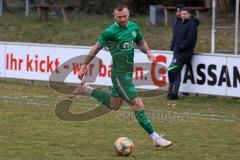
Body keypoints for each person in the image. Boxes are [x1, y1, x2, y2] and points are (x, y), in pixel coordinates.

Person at [73, 3, 172, 148]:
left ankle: (87, 90)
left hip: (127, 73)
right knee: (138, 104)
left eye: (125, 16)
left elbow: (140, 42)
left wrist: (148, 52)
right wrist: (83, 66)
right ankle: (156, 138)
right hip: (119, 76)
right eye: (119, 17)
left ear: (129, 13)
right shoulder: (110, 32)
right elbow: (95, 49)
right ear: (114, 16)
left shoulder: (133, 27)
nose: (123, 19)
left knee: (114, 105)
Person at [167, 7, 199, 100]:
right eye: (182, 14)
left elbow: (190, 40)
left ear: (189, 14)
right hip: (177, 53)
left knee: (171, 70)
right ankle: (173, 93)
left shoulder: (192, 24)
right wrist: (173, 47)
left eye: (185, 14)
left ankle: (172, 92)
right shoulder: (181, 23)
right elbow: (176, 38)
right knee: (176, 73)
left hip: (183, 54)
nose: (183, 15)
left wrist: (180, 47)